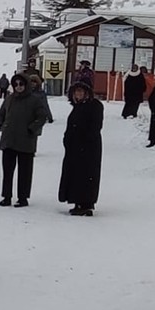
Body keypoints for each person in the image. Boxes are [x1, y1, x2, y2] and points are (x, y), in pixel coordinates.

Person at [0, 74, 48, 207]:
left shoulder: (34, 100)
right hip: (9, 140)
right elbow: (1, 113)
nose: (18, 87)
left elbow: (42, 117)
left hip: (26, 141)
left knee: (25, 172)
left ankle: (23, 198)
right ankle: (6, 196)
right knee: (7, 171)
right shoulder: (9, 99)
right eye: (16, 84)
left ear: (26, 85)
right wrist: (0, 124)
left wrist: (31, 129)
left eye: (21, 84)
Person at [58, 81, 104, 216]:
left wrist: (84, 142)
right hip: (75, 148)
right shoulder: (77, 107)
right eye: (76, 91)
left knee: (86, 175)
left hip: (88, 148)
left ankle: (85, 203)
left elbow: (95, 127)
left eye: (81, 91)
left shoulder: (94, 106)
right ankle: (78, 201)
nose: (78, 94)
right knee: (75, 174)